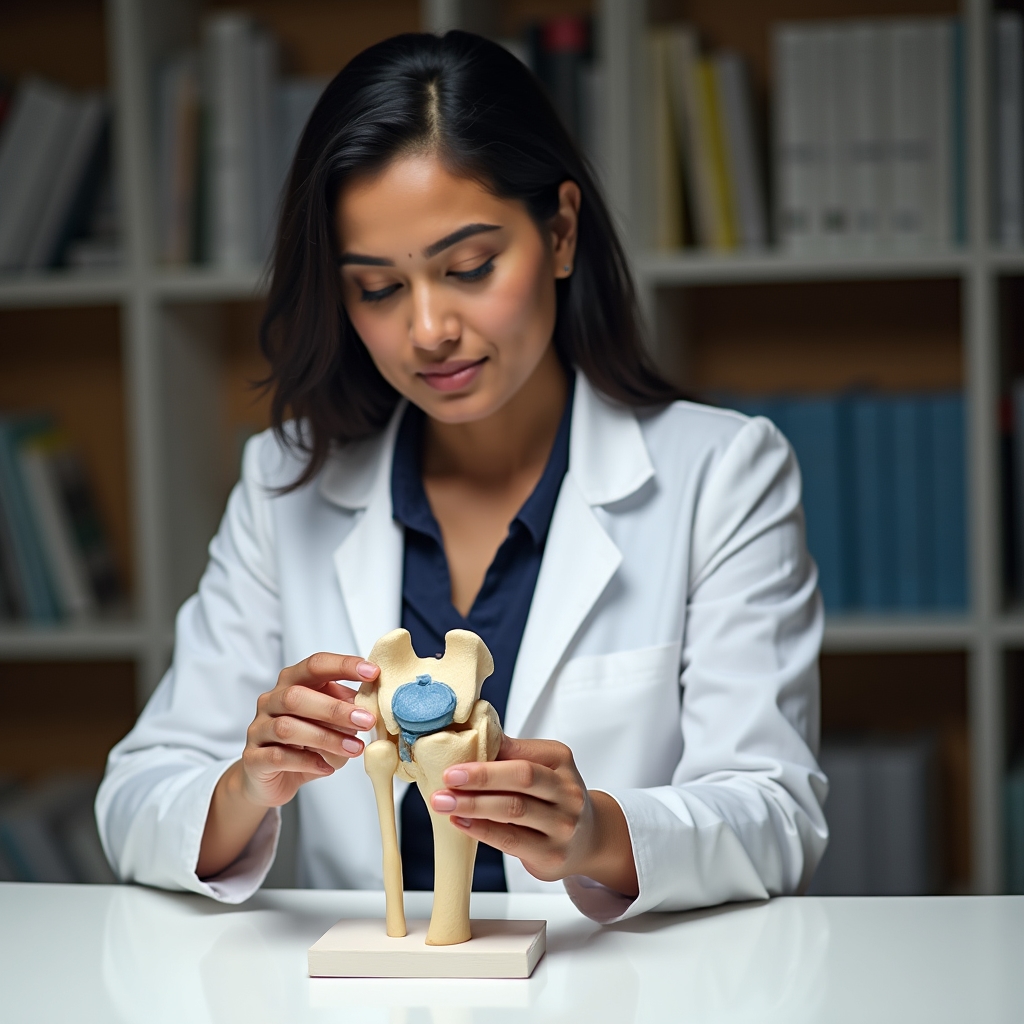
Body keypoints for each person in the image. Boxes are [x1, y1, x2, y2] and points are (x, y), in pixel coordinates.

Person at [96, 31, 827, 923]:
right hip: (365, 985)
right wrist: (250, 783)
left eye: (470, 268)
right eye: (377, 288)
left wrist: (595, 832)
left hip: (613, 987)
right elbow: (134, 804)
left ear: (560, 232)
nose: (429, 330)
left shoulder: (722, 473)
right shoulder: (284, 483)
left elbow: (778, 815)